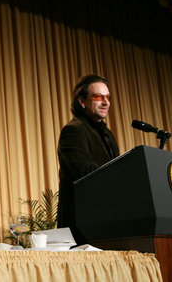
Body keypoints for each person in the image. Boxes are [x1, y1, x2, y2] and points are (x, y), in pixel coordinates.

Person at [57, 74, 120, 244]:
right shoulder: (74, 130)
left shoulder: (108, 134)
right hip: (82, 224)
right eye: (98, 97)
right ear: (82, 101)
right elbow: (83, 172)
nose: (105, 102)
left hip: (109, 219)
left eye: (107, 97)